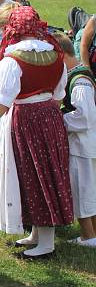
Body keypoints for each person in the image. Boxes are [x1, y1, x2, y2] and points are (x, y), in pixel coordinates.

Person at [0, 7, 73, 258]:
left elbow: (2, 102)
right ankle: (37, 234)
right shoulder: (56, 57)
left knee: (33, 174)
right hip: (50, 117)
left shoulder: (12, 61)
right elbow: (58, 95)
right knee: (44, 172)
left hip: (25, 120)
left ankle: (47, 243)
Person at [54, 32, 96, 247]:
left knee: (82, 190)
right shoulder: (75, 77)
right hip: (81, 144)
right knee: (85, 188)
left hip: (82, 145)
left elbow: (85, 116)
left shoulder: (79, 81)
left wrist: (58, 119)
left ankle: (89, 236)